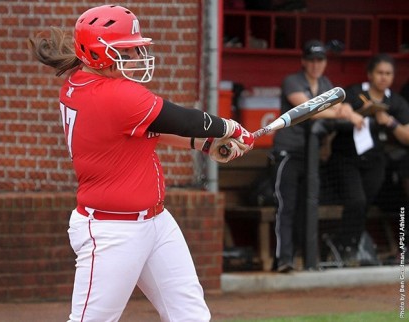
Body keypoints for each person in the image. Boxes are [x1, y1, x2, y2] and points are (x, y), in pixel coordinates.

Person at [28, 4, 254, 322]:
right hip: (112, 228)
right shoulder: (115, 95)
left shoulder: (82, 82)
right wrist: (229, 128)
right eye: (125, 50)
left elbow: (147, 130)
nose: (134, 56)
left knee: (190, 315)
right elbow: (180, 119)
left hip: (155, 222)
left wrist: (204, 144)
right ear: (95, 54)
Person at [271, 39, 364, 273]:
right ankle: (284, 259)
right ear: (303, 61)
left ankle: (307, 259)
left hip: (311, 156)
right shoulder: (292, 81)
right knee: (287, 206)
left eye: (320, 60)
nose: (315, 65)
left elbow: (339, 108)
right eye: (311, 60)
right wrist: (343, 113)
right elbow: (309, 111)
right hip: (288, 152)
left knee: (308, 206)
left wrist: (346, 112)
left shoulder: (325, 83)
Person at [328, 53, 409, 264]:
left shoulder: (395, 101)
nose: (384, 77)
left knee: (367, 203)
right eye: (380, 73)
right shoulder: (356, 92)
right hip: (346, 158)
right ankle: (343, 245)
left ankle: (350, 245)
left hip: (375, 161)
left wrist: (389, 122)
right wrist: (349, 112)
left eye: (388, 73)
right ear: (370, 74)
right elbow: (336, 107)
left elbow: (407, 136)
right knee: (357, 200)